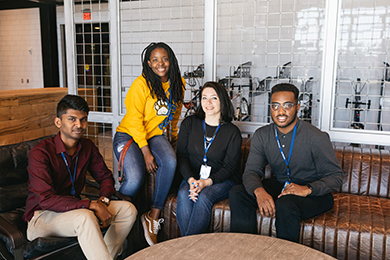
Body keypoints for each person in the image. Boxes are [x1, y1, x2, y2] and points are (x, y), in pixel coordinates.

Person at [23, 94, 137, 260]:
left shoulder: (87, 146)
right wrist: (90, 205)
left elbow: (105, 177)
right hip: (42, 217)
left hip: (75, 209)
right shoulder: (40, 153)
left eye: (83, 119)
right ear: (58, 122)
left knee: (128, 210)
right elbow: (46, 199)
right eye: (72, 119)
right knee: (85, 216)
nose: (79, 125)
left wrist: (103, 202)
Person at [229, 83, 343, 243]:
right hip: (282, 186)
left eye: (287, 106)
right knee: (238, 193)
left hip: (315, 193)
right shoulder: (262, 135)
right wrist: (259, 191)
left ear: (297, 107)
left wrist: (307, 189)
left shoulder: (316, 137)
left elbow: (336, 177)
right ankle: (245, 249)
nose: (280, 112)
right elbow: (251, 172)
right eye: (275, 106)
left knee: (285, 204)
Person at [113, 42, 185, 245]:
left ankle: (153, 217)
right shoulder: (141, 84)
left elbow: (174, 115)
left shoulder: (178, 83)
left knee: (170, 161)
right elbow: (135, 120)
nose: (160, 63)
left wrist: (174, 140)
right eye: (155, 60)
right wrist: (146, 152)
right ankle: (113, 221)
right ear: (149, 63)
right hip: (129, 135)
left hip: (155, 135)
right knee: (135, 178)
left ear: (171, 61)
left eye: (164, 59)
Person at [176, 81, 242, 236]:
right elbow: (182, 157)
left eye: (214, 98)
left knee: (204, 196)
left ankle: (186, 249)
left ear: (222, 101)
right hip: (193, 177)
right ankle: (192, 249)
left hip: (223, 180)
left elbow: (229, 167)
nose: (208, 103)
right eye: (204, 98)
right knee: (183, 193)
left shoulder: (232, 132)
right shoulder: (189, 124)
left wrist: (206, 182)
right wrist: (192, 181)